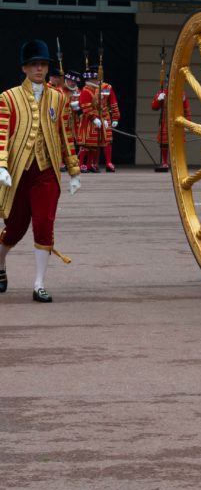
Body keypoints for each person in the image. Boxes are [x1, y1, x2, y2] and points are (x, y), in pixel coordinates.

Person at [0, 40, 82, 302]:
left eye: (43, 64)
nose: (39, 68)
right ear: (24, 68)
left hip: (46, 172)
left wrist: (74, 171)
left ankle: (39, 284)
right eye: (34, 64)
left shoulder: (58, 98)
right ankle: (1, 263)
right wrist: (2, 165)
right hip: (18, 172)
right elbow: (1, 135)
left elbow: (65, 135)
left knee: (44, 224)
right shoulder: (8, 97)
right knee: (14, 229)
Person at [77, 70, 120, 172]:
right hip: (91, 119)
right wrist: (94, 117)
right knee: (88, 143)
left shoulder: (104, 87)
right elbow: (86, 106)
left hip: (102, 117)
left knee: (101, 142)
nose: (97, 80)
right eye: (96, 78)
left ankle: (95, 163)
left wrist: (115, 117)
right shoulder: (87, 90)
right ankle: (85, 163)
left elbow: (113, 103)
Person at [151, 84, 189, 172]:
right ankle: (164, 162)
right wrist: (158, 99)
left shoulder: (181, 94)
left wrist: (187, 123)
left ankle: (178, 163)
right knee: (164, 143)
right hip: (165, 121)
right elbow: (154, 107)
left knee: (177, 144)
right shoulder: (162, 93)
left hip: (177, 121)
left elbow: (186, 109)